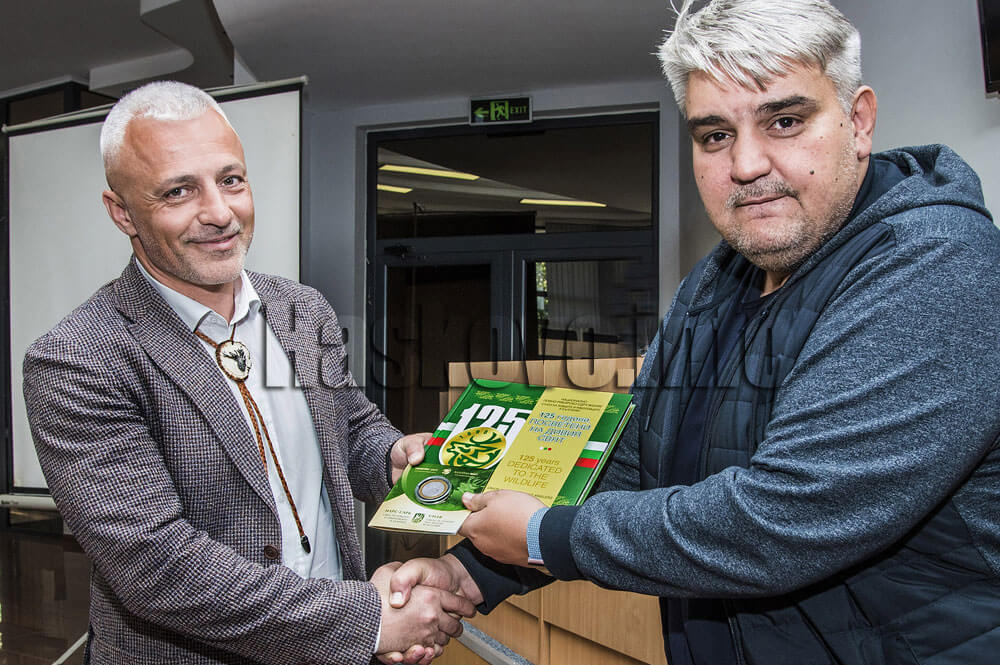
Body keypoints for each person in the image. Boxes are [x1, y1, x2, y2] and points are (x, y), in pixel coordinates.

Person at [388, 1, 1000, 663]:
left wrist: (544, 535)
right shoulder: (718, 279)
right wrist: (468, 574)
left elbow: (783, 519)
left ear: (858, 121)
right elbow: (631, 460)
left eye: (785, 121)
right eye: (714, 135)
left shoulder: (938, 264)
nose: (746, 164)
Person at [22, 81, 474, 665]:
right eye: (178, 191)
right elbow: (159, 567)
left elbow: (349, 428)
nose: (219, 213)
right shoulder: (78, 357)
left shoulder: (300, 308)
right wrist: (368, 622)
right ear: (121, 212)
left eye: (231, 180)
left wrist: (392, 456)